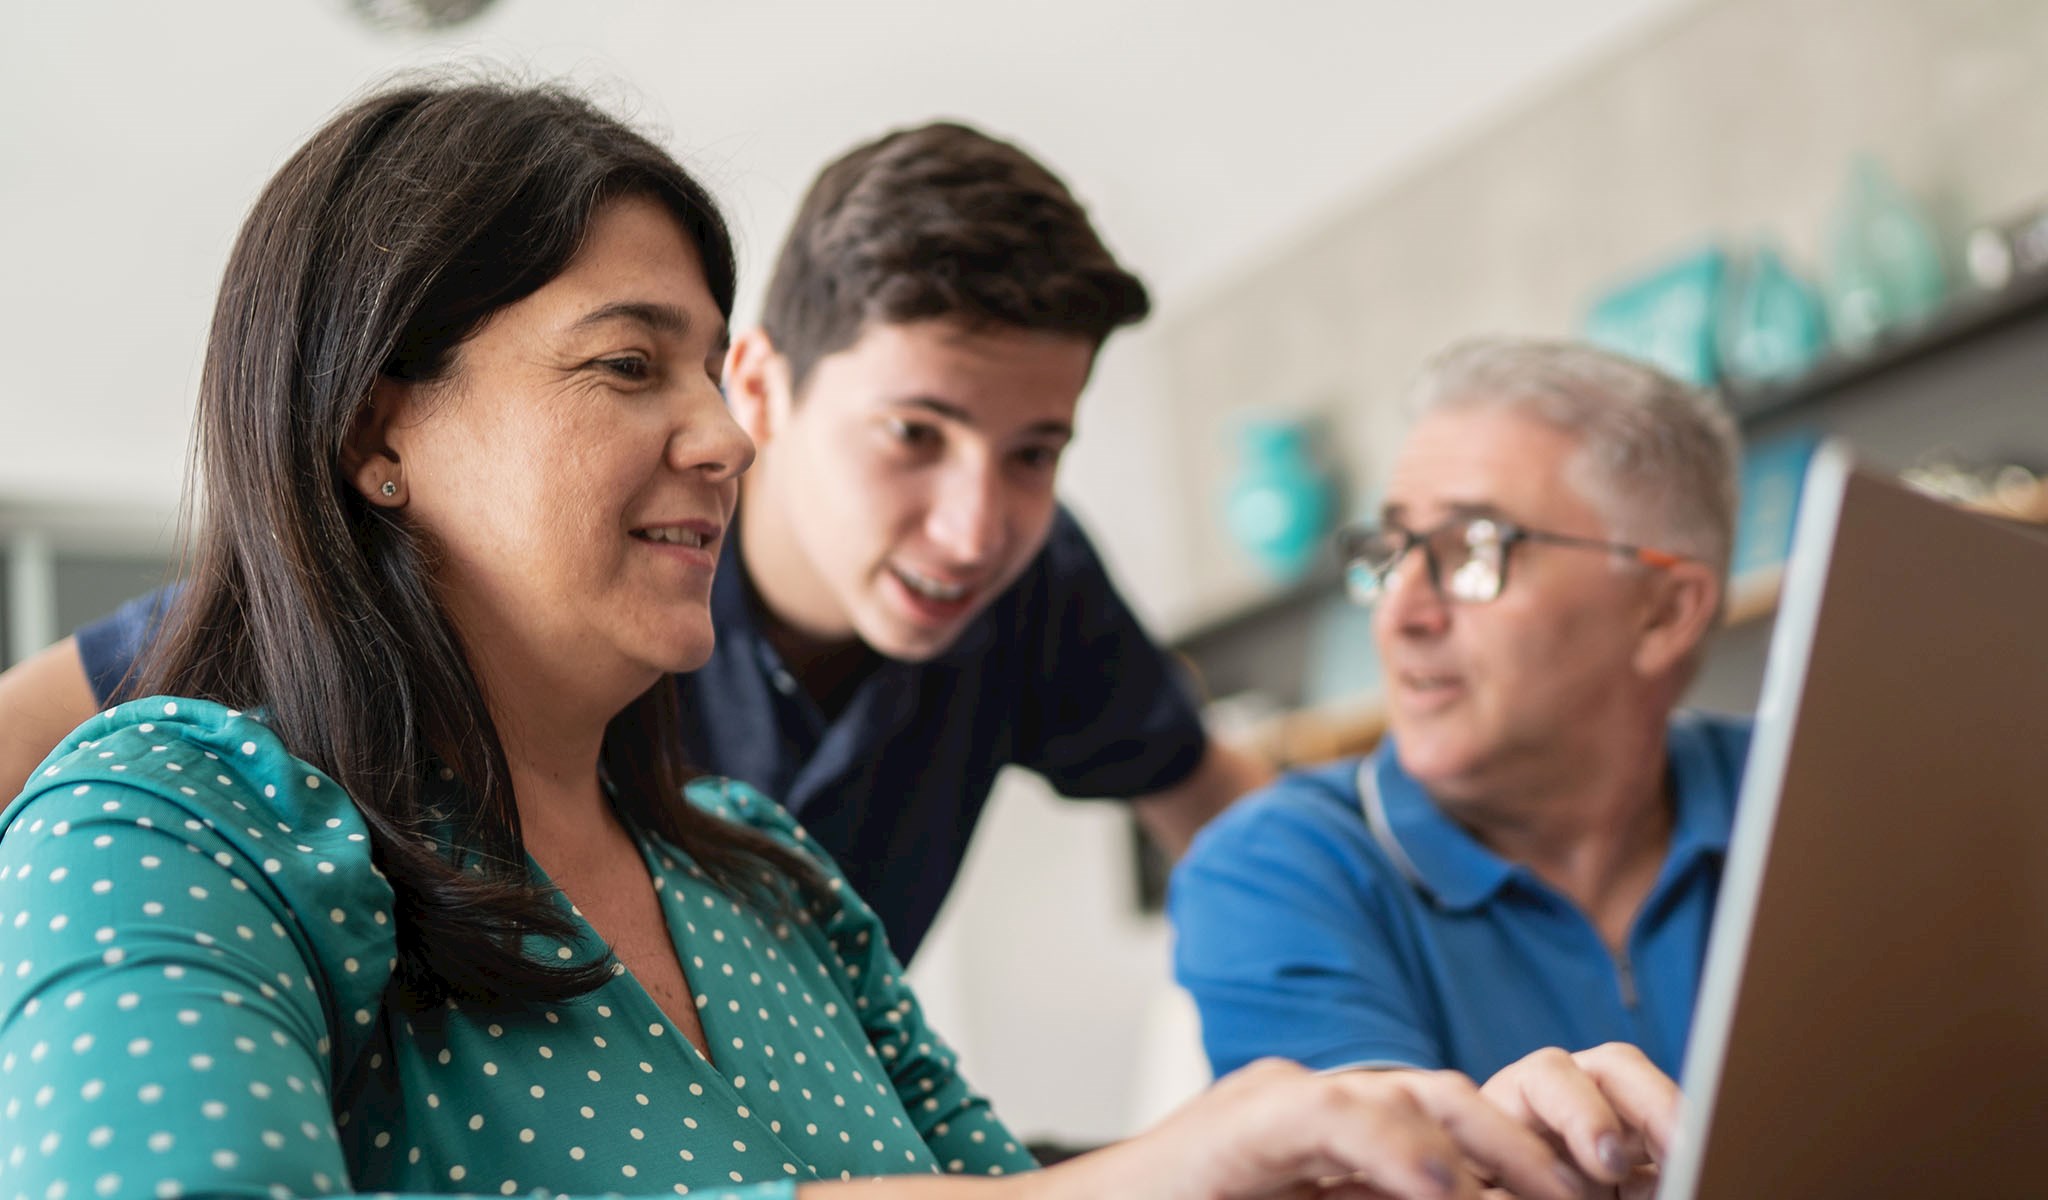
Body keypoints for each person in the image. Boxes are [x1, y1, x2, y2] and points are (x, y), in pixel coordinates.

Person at [0, 79, 1676, 1200]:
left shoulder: (767, 871)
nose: (721, 442)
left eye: (699, 365)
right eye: (623, 366)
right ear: (378, 433)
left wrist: (1371, 1136)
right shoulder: (175, 820)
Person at [0, 117, 1268, 965]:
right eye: (912, 435)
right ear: (766, 389)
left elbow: (1226, 821)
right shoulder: (255, 738)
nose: (974, 524)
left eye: (1034, 453)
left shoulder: (1036, 593)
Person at [1171, 338, 1748, 1084]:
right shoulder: (1274, 869)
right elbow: (1374, 1172)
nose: (1399, 611)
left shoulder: (1815, 788)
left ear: (1665, 613)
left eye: (1474, 550)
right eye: (1392, 550)